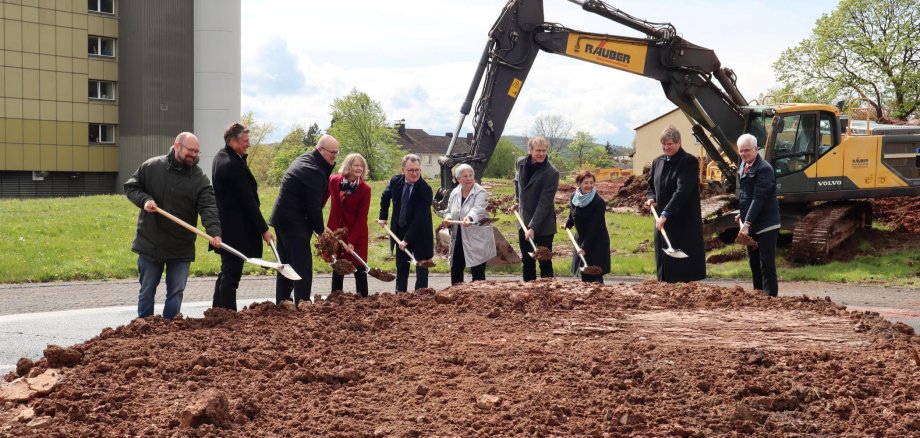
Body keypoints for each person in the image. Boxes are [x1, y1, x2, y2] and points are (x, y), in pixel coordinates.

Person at [124, 132, 222, 319]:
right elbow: (131, 187)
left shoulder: (199, 178)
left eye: (197, 151)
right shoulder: (151, 167)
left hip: (180, 246)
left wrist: (214, 232)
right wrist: (145, 200)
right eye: (190, 150)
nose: (194, 155)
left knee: (176, 292)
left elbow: (208, 207)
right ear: (177, 146)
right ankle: (143, 329)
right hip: (151, 242)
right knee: (147, 291)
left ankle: (171, 329)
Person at [211, 123, 273, 311]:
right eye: (245, 141)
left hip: (226, 227)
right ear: (233, 141)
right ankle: (228, 315)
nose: (248, 145)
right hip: (235, 230)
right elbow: (248, 202)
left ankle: (217, 311)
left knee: (226, 272)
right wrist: (264, 230)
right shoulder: (232, 165)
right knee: (231, 275)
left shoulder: (221, 158)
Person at [269, 134, 338, 305]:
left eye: (337, 153)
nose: (335, 156)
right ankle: (302, 303)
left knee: (285, 263)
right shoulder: (313, 170)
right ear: (320, 150)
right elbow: (313, 207)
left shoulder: (308, 160)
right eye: (332, 153)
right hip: (294, 221)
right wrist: (322, 233)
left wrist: (319, 227)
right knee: (302, 264)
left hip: (284, 219)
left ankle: (283, 301)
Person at [645, 126, 706, 283]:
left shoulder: (688, 162)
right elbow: (650, 186)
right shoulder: (657, 162)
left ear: (679, 142)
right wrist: (651, 197)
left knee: (683, 269)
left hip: (682, 221)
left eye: (670, 144)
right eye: (664, 145)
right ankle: (666, 290)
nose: (666, 148)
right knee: (665, 263)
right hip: (662, 220)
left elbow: (682, 191)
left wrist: (666, 213)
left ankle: (684, 294)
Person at [378, 154, 433, 292]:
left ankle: (420, 298)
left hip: (420, 232)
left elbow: (419, 218)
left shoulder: (425, 189)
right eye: (411, 170)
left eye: (417, 170)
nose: (415, 173)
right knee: (401, 267)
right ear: (403, 170)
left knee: (421, 267)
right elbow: (385, 196)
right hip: (400, 230)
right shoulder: (396, 181)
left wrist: (407, 239)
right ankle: (400, 297)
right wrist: (383, 216)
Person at [736, 133, 781, 297]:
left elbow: (758, 198)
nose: (743, 154)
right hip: (751, 222)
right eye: (741, 151)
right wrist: (740, 214)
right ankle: (758, 294)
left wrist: (746, 223)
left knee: (766, 262)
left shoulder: (764, 169)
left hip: (766, 224)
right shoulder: (743, 165)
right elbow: (744, 195)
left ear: (756, 149)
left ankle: (770, 297)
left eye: (746, 150)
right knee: (754, 262)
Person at [439, 164, 496, 285]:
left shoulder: (480, 192)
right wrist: (448, 218)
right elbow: (449, 210)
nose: (469, 178)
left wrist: (469, 217)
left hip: (477, 238)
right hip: (458, 236)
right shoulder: (455, 192)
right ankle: (456, 296)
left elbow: (478, 209)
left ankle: (478, 298)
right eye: (465, 176)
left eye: (471, 175)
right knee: (456, 268)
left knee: (478, 272)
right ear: (458, 179)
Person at [514, 136, 560, 281]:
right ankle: (529, 294)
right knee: (527, 261)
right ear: (530, 150)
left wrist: (533, 227)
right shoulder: (520, 162)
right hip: (523, 222)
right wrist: (517, 201)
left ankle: (547, 293)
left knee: (544, 261)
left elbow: (545, 203)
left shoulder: (552, 172)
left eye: (544, 151)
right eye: (538, 150)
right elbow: (517, 183)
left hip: (544, 225)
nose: (541, 154)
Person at [327, 153, 372, 297]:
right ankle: (335, 300)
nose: (359, 168)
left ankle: (363, 302)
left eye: (361, 166)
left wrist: (352, 241)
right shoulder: (334, 181)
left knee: (359, 269)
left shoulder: (365, 189)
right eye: (356, 165)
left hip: (356, 234)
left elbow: (361, 218)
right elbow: (322, 198)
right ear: (348, 166)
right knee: (338, 267)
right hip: (336, 233)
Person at [564, 170, 610, 283]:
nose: (589, 186)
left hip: (596, 241)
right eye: (586, 183)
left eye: (591, 183)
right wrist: (568, 223)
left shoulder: (598, 202)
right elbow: (573, 213)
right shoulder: (574, 197)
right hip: (581, 238)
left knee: (595, 273)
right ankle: (587, 299)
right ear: (579, 184)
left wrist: (584, 247)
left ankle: (600, 298)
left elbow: (594, 228)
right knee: (584, 271)